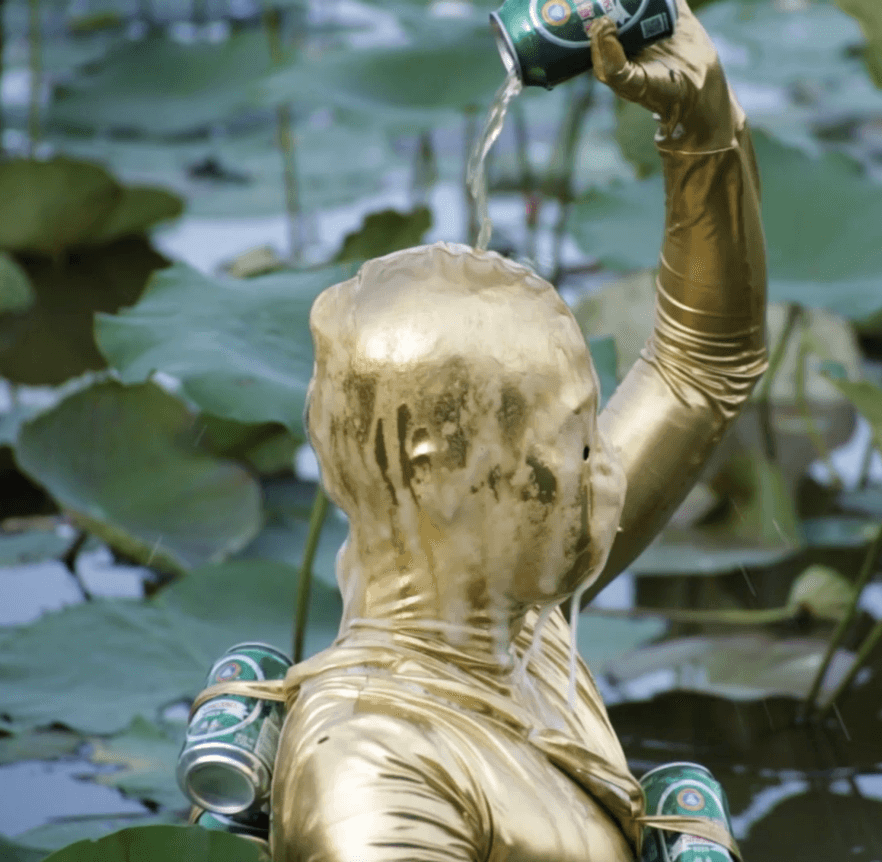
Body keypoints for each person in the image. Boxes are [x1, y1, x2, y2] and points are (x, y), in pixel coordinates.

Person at [267, 2, 766, 858]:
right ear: (442, 474)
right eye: (575, 445)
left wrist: (701, 120)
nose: (605, 468)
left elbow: (702, 367)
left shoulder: (523, 628)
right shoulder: (372, 767)